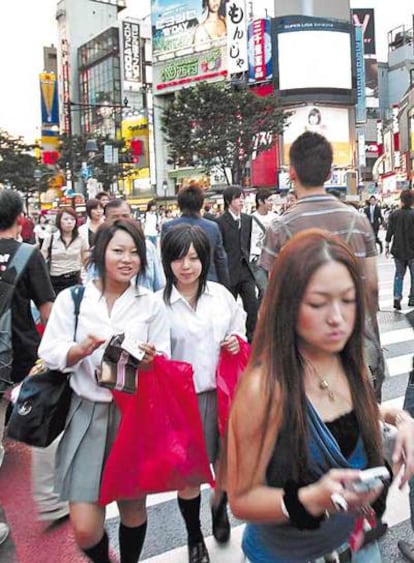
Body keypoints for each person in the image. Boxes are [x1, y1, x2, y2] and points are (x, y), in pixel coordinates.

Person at [227, 229, 414, 563]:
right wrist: (312, 498)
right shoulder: (263, 388)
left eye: (347, 300)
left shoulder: (348, 359)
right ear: (288, 304)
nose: (337, 318)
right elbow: (241, 499)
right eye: (318, 303)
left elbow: (360, 415)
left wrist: (401, 421)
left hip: (359, 547)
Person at [38, 219, 171, 562]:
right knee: (85, 527)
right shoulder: (74, 300)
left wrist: (150, 360)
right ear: (100, 253)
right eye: (118, 251)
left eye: (134, 253)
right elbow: (50, 351)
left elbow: (164, 355)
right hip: (86, 414)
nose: (127, 259)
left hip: (133, 414)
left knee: (133, 508)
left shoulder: (150, 303)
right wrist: (78, 351)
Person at [259, 132, 384, 399]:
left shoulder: (280, 228)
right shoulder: (358, 221)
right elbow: (372, 288)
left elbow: (272, 300)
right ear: (329, 173)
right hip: (357, 350)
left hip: (304, 357)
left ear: (291, 172)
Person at [159, 224, 246, 563]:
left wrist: (236, 341)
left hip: (223, 396)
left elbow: (239, 328)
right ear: (167, 262)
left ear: (204, 260)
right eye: (178, 258)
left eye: (194, 258)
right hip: (182, 403)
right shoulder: (159, 305)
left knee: (223, 466)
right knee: (189, 476)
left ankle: (219, 507)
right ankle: (194, 536)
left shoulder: (221, 296)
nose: (186, 266)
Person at [0, 191, 66, 524]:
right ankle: (51, 502)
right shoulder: (28, 255)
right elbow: (48, 312)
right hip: (20, 354)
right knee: (40, 416)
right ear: (20, 217)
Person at [161, 184, 230, 287]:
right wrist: (225, 287)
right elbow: (220, 259)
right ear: (201, 203)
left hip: (179, 282)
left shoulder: (168, 227)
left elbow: (165, 259)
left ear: (180, 204)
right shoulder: (212, 227)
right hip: (209, 282)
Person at [216, 186, 258, 342]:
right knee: (228, 308)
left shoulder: (248, 219)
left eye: (243, 198)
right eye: (237, 198)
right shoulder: (220, 222)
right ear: (228, 201)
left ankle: (251, 337)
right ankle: (229, 337)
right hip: (229, 270)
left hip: (246, 269)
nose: (241, 201)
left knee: (251, 304)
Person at [104, 199, 165, 292]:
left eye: (125, 216)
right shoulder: (100, 250)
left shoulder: (147, 248)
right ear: (105, 220)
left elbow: (160, 285)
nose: (121, 221)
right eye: (115, 217)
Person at [41, 207, 88, 294]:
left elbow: (86, 259)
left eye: (72, 219)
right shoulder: (50, 238)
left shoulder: (81, 239)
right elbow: (42, 260)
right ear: (59, 221)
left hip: (74, 279)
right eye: (66, 219)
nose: (69, 222)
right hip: (55, 280)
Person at [384, 189, 414, 310]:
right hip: (413, 250)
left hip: (398, 250)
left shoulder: (394, 214)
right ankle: (412, 298)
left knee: (399, 275)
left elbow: (389, 232)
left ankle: (397, 297)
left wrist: (386, 245)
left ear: (401, 200)